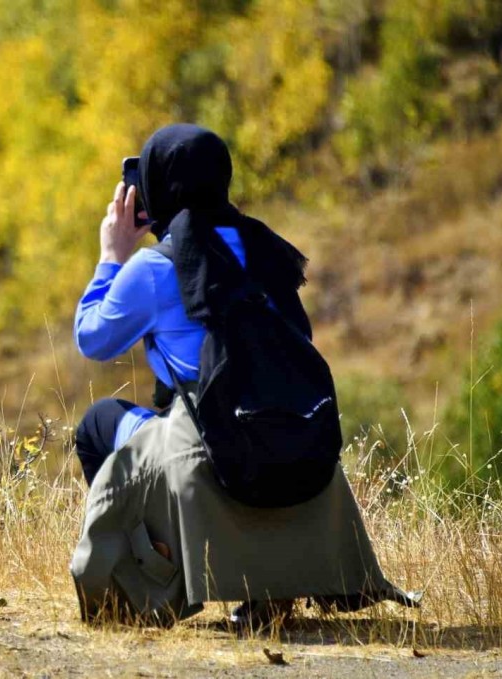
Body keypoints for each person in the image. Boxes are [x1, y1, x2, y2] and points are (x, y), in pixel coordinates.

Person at [68, 124, 417, 628]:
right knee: (175, 413)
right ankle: (267, 596)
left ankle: (151, 572)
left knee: (100, 424)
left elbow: (92, 339)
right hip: (289, 441)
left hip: (209, 445)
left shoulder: (153, 267)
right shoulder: (264, 250)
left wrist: (111, 256)